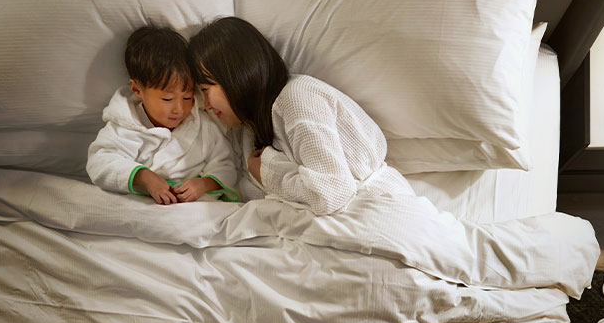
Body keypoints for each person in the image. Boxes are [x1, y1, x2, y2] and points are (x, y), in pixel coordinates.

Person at [186, 16, 414, 216]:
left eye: (206, 89)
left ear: (235, 75)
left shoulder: (298, 98)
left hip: (373, 208)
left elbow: (332, 193)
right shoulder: (248, 130)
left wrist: (269, 170)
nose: (205, 105)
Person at [86, 25, 238, 204]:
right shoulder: (125, 125)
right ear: (137, 89)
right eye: (167, 99)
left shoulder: (201, 124)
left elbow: (225, 163)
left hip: (195, 205)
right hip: (141, 204)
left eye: (187, 97)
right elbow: (99, 162)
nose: (180, 109)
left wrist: (204, 184)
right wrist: (145, 177)